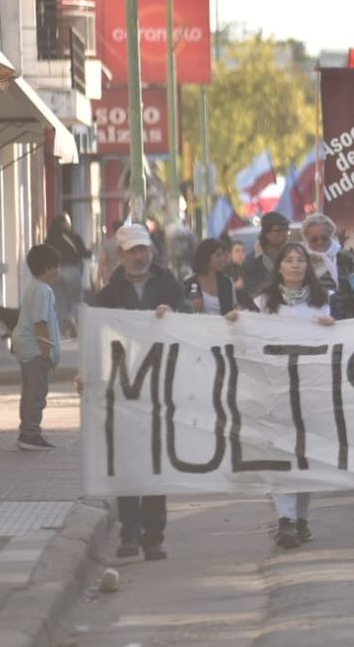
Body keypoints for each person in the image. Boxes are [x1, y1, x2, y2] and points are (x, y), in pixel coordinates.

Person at [94, 223, 188, 560]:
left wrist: (172, 316)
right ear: (120, 255)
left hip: (161, 388)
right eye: (132, 250)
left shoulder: (168, 284)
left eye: (143, 249)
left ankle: (153, 534)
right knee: (128, 462)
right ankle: (129, 532)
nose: (139, 256)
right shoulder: (107, 294)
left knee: (155, 462)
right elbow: (98, 339)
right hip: (124, 390)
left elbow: (189, 322)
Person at [253, 242, 337, 548]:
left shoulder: (322, 300)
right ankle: (285, 519)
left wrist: (330, 328)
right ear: (279, 267)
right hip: (275, 388)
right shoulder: (263, 302)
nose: (295, 265)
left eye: (300, 260)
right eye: (288, 260)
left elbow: (330, 342)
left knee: (305, 456)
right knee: (281, 454)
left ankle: (301, 517)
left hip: (311, 387)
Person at [14, 244, 63, 451]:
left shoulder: (33, 286)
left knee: (29, 391)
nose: (58, 269)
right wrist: (46, 350)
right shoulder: (44, 290)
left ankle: (26, 431)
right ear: (47, 267)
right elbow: (40, 322)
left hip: (25, 347)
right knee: (37, 392)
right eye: (56, 265)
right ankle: (31, 434)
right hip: (35, 349)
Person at [303, 213, 354, 318]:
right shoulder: (300, 259)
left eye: (324, 238)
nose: (319, 242)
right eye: (314, 239)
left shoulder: (346, 258)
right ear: (306, 238)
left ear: (331, 235)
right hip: (309, 318)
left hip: (344, 320)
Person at [45, 212, 89, 335]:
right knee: (76, 301)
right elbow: (84, 253)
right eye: (68, 222)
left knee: (59, 303)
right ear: (64, 223)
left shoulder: (49, 239)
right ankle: (72, 318)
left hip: (55, 273)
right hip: (72, 270)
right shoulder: (73, 237)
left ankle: (60, 334)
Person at [183, 238, 240, 315]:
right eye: (218, 255)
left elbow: (234, 307)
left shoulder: (227, 283)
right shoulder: (191, 283)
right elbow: (183, 310)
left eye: (223, 255)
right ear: (206, 258)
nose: (223, 258)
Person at [242, 211, 291, 300]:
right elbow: (254, 292)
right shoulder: (252, 260)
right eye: (278, 230)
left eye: (286, 230)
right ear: (266, 234)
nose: (284, 234)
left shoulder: (292, 257)